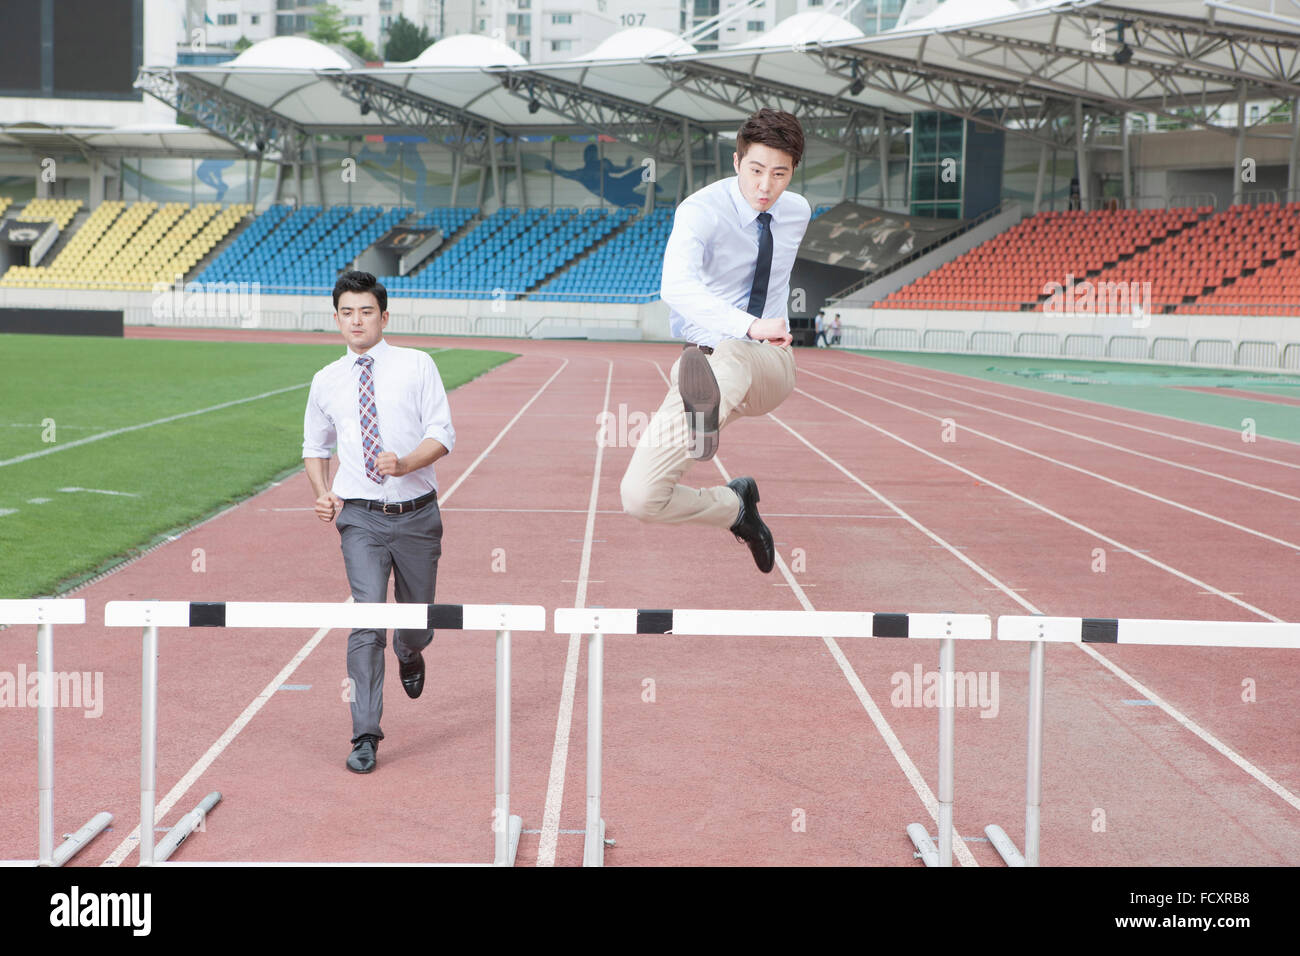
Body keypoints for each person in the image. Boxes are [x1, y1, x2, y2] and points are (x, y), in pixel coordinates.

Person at [620, 108, 811, 573]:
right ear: (736, 162)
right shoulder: (700, 212)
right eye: (756, 170)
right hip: (702, 368)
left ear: (793, 173)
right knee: (641, 497)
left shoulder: (797, 211)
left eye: (780, 174)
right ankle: (736, 507)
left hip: (767, 364)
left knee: (732, 355)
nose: (766, 186)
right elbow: (676, 287)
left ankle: (704, 416)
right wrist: (747, 322)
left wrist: (756, 331)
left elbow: (754, 324)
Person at [302, 270, 456, 774]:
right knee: (366, 621)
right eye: (347, 312)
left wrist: (407, 463)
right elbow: (314, 447)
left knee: (414, 621)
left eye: (366, 311)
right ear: (336, 319)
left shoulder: (417, 365)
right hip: (360, 519)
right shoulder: (326, 380)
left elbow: (442, 433)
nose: (356, 320)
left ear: (383, 317)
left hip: (417, 515)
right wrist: (323, 494)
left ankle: (411, 652)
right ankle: (365, 734)